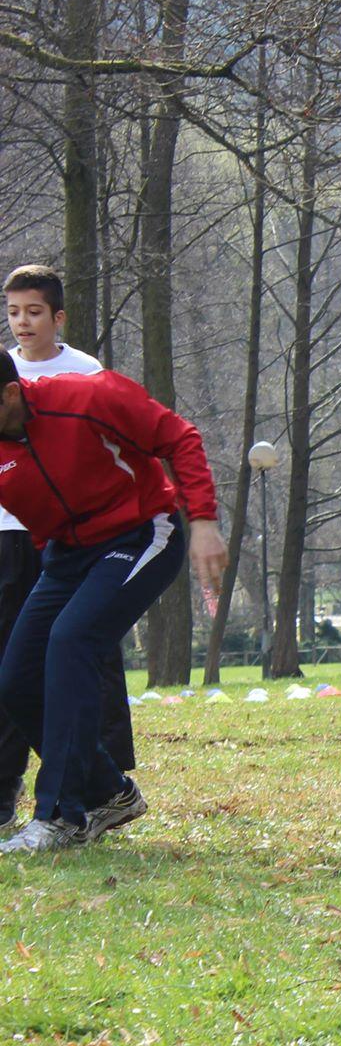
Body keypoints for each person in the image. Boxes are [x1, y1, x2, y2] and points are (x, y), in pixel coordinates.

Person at [0, 359, 227, 854]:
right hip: (65, 553)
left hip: (142, 531)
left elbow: (179, 436)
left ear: (11, 394)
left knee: (72, 640)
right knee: (16, 677)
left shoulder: (88, 397)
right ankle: (110, 792)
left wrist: (204, 521)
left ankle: (63, 815)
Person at [0, 265, 135, 825]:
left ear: (58, 317)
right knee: (15, 661)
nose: (22, 323)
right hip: (10, 532)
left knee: (82, 652)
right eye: (13, 312)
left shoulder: (85, 372)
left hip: (72, 536)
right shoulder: (3, 370)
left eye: (33, 312)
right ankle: (7, 786)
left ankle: (93, 780)